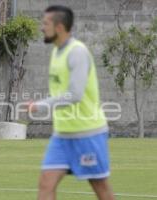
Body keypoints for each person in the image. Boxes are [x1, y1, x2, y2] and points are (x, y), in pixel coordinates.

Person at [27, 5, 115, 200]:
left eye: (46, 23)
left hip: (87, 133)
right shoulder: (57, 52)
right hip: (62, 136)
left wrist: (41, 106)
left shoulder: (77, 52)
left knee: (100, 187)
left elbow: (75, 94)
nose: (42, 28)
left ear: (59, 27)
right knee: (45, 183)